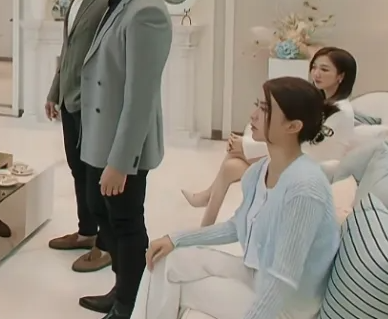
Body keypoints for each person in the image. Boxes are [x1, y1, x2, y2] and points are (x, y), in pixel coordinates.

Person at [137, 77, 340, 319]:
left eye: (264, 109)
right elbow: (237, 225)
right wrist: (175, 238)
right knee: (164, 259)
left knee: (175, 287)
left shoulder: (305, 188)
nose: (253, 115)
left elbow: (283, 280)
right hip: (257, 273)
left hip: (286, 307)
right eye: (257, 105)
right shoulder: (261, 169)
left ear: (293, 126)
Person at [78, 0, 173, 318]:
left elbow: (140, 99)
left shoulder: (147, 12)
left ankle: (131, 303)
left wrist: (119, 163)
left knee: (127, 224)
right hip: (102, 137)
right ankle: (121, 288)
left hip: (123, 146)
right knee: (104, 216)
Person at [182, 46, 357, 226]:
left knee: (233, 160)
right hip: (298, 159)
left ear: (341, 76)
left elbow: (307, 145)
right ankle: (206, 220)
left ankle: (206, 205)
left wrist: (247, 145)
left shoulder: (341, 112)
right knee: (231, 165)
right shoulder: (323, 102)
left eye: (324, 69)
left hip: (309, 168)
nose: (316, 73)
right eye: (314, 67)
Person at [44, 0, 113, 273]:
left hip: (91, 101)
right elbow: (68, 51)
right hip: (70, 99)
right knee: (76, 168)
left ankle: (106, 244)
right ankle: (87, 231)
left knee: (94, 172)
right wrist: (54, 91)